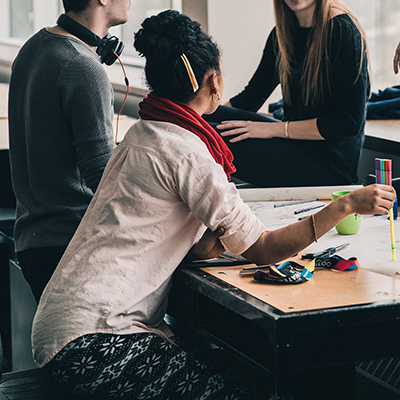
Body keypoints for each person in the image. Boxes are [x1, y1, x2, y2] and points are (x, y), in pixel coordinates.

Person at [31, 9, 395, 400]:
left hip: (60, 327)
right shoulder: (189, 154)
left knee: (230, 362)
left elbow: (171, 236)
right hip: (95, 341)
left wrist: (216, 239)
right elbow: (264, 250)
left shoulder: (143, 133)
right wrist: (346, 205)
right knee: (250, 387)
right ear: (214, 81)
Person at [8, 0, 130, 303]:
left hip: (34, 243)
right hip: (71, 246)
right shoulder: (83, 67)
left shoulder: (35, 47)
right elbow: (104, 178)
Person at [205, 0, 370, 188]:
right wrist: (195, 112)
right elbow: (250, 98)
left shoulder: (342, 31)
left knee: (206, 135)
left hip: (329, 166)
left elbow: (348, 122)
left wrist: (269, 130)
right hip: (296, 143)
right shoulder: (282, 33)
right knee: (198, 118)